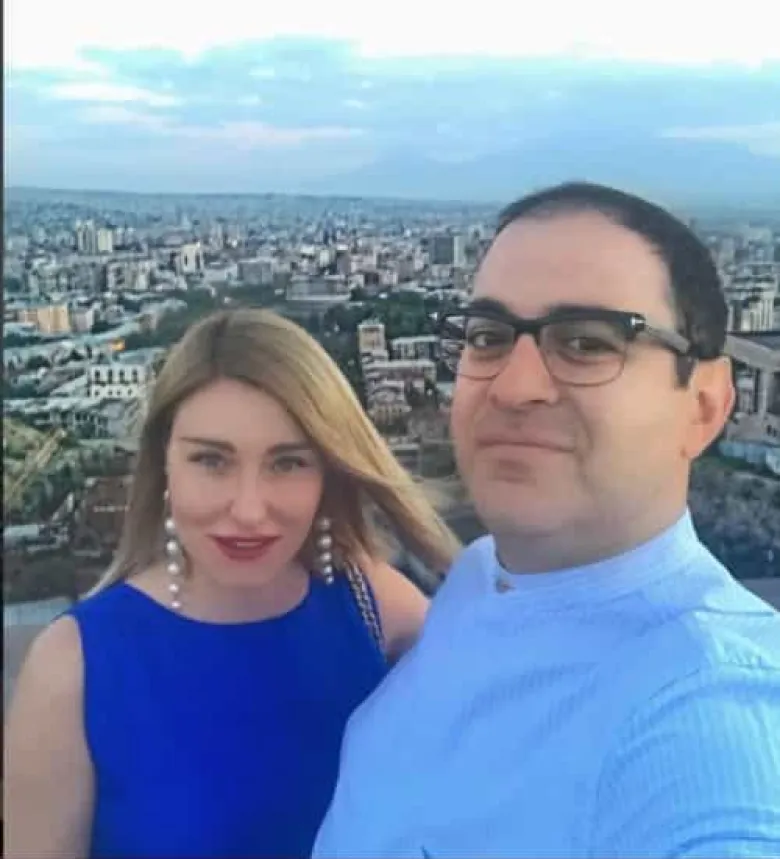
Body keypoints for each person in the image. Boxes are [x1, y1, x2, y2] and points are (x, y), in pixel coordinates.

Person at [313, 182, 780, 858]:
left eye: (587, 343)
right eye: (488, 337)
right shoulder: (482, 577)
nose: (514, 386)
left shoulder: (705, 712)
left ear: (704, 406)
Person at [4, 308, 461, 859]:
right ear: (163, 465)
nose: (248, 509)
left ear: (328, 472)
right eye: (211, 460)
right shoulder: (74, 668)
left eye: (287, 463)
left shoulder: (368, 602)